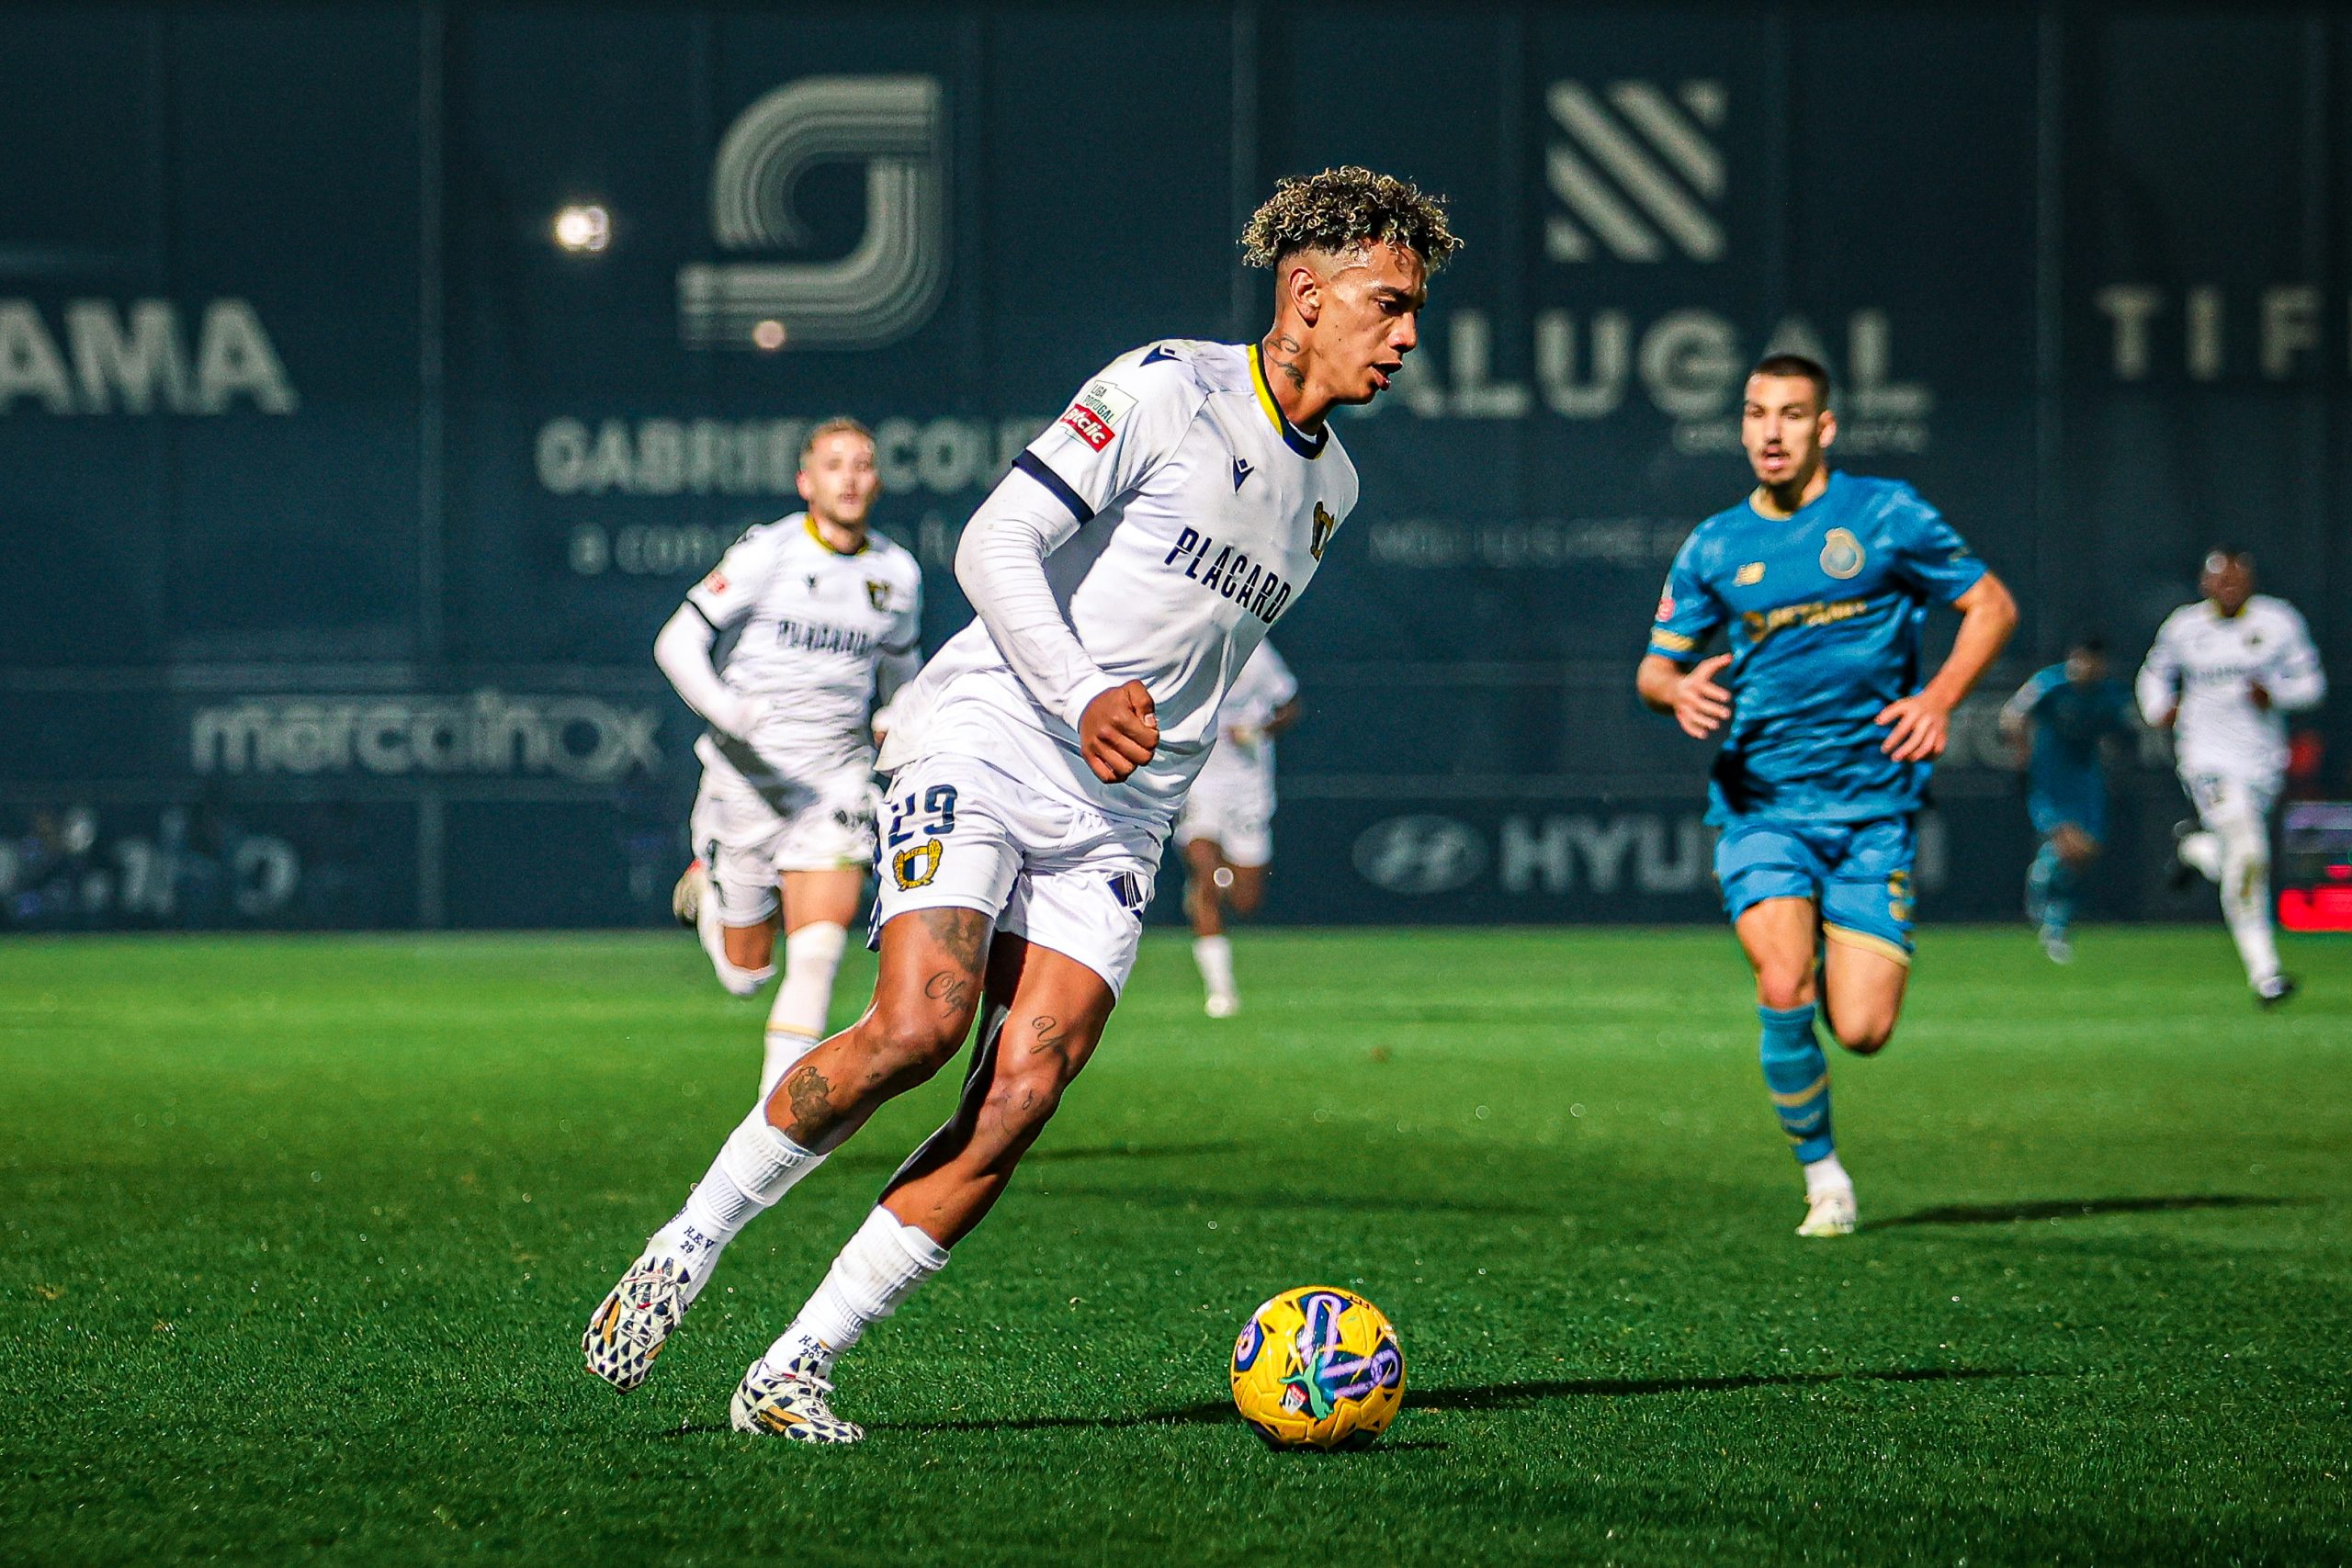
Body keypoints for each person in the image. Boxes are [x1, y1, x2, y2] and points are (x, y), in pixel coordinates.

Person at [583, 167, 1456, 1440]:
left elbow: (1199, 658)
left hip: (1121, 810)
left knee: (1022, 1090)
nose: (1409, 335)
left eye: (1415, 309)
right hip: (994, 728)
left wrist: (1153, 767)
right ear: (1306, 292)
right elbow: (992, 540)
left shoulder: (1336, 491)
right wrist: (1083, 685)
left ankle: (795, 1366)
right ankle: (691, 1237)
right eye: (1389, 303)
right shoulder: (1169, 384)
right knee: (919, 1023)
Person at [1635, 353, 2017, 1238]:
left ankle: (1827, 1127)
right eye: (1757, 413)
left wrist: (1939, 700)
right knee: (1782, 977)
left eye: (1792, 414)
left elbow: (1991, 605)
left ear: (1825, 428)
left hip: (1871, 814)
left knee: (1865, 1027)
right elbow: (1654, 668)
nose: (1772, 431)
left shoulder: (1885, 516)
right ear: (1741, 426)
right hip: (1759, 804)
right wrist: (1677, 688)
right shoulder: (1716, 544)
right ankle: (1824, 1178)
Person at [651, 419, 923, 1098]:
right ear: (807, 481)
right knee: (747, 973)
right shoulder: (767, 552)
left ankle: (773, 1122)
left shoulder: (896, 572)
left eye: (863, 463)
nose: (851, 477)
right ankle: (713, 898)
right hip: (747, 780)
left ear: (878, 480)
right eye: (835, 464)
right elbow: (676, 642)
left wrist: (900, 717)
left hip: (836, 781)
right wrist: (727, 711)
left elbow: (901, 672)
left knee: (820, 956)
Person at [2136, 547, 2326, 1007]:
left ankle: (2197, 850)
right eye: (2220, 580)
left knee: (2238, 858)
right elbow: (2153, 675)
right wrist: (2160, 708)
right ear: (2204, 584)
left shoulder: (2278, 622)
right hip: (2205, 757)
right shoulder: (2185, 627)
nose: (2229, 588)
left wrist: (2276, 693)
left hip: (2261, 761)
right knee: (2251, 855)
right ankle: (2266, 974)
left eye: (2237, 580)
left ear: (2251, 582)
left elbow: (2311, 685)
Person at [1177, 639, 1301, 1016]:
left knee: (1246, 900)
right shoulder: (1186, 647)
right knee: (1207, 874)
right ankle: (1221, 992)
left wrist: (1260, 730)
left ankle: (1208, 885)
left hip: (1249, 786)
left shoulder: (1257, 652)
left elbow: (1290, 706)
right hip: (1199, 780)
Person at [1998, 637, 2136, 963]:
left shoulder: (2109, 693)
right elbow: (2012, 715)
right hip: (2050, 776)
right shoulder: (2050, 684)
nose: (2086, 668)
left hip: (2087, 777)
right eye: (2081, 659)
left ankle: (2048, 889)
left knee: (2086, 852)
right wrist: (2021, 754)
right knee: (2069, 845)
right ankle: (2052, 918)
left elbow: (2127, 729)